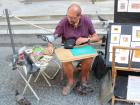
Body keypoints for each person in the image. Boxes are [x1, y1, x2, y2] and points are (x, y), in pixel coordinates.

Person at [48, 3, 100, 96]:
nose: (69, 19)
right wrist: (50, 45)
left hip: (82, 47)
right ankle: (70, 81)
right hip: (68, 47)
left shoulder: (86, 20)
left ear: (80, 16)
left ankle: (83, 80)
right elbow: (53, 36)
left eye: (72, 17)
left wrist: (86, 39)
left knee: (89, 59)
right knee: (66, 61)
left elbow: (96, 38)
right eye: (68, 16)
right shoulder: (64, 22)